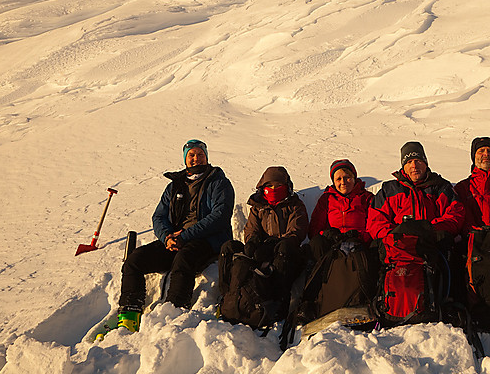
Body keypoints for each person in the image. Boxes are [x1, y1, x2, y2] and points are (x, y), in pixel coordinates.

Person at [115, 139, 234, 332]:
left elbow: (219, 217)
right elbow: (159, 216)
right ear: (185, 159)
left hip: (208, 240)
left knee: (184, 259)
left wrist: (185, 236)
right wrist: (167, 237)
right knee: (134, 260)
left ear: (206, 156)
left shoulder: (219, 182)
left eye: (200, 154)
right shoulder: (175, 186)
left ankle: (175, 311)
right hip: (177, 239)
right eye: (191, 155)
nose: (196, 158)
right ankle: (130, 313)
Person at [296, 159, 377, 324]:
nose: (343, 182)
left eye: (347, 177)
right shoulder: (326, 199)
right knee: (316, 245)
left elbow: (375, 225)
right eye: (338, 179)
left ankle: (368, 298)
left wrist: (360, 235)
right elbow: (314, 230)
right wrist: (328, 234)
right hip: (333, 243)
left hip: (358, 242)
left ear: (354, 177)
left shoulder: (367, 198)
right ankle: (309, 302)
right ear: (333, 181)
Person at [219, 166, 309, 307]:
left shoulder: (295, 205)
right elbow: (251, 230)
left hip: (285, 253)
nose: (274, 189)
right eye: (270, 186)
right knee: (229, 248)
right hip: (260, 251)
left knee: (285, 249)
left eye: (278, 186)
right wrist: (252, 243)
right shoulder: (257, 207)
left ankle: (279, 300)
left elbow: (297, 231)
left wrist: (274, 244)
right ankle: (229, 297)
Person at [367, 141, 464, 240]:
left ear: (425, 164)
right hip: (398, 247)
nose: (414, 165)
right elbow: (376, 223)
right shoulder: (389, 190)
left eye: (418, 161)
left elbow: (455, 215)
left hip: (433, 244)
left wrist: (430, 229)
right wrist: (398, 233)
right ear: (403, 167)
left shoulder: (441, 187)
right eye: (409, 162)